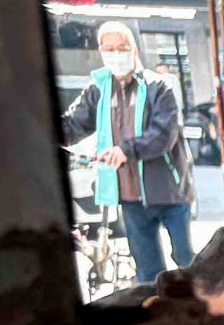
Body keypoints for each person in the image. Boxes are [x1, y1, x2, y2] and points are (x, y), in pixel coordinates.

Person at [62, 20, 195, 283]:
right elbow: (74, 124)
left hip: (170, 191)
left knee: (186, 261)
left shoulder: (159, 87)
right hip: (130, 195)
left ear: (133, 49)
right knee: (147, 272)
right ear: (101, 50)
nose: (116, 54)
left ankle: (200, 314)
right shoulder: (98, 89)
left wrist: (126, 150)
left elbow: (163, 136)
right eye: (109, 49)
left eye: (121, 47)